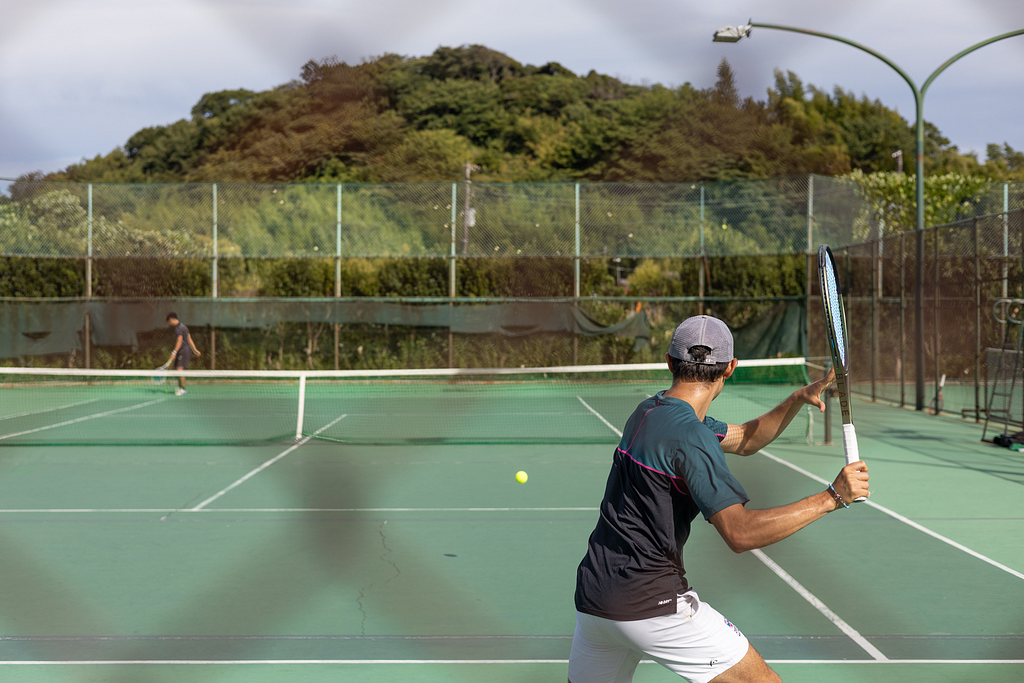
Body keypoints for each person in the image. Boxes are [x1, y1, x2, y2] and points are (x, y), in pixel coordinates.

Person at [569, 315, 869, 683]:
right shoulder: (691, 438)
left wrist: (795, 400)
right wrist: (833, 496)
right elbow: (739, 534)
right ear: (730, 368)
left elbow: (745, 439)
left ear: (669, 362)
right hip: (651, 603)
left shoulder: (649, 411)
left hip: (595, 600)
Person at [165, 312, 201, 396]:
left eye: (169, 321)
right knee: (176, 368)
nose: (169, 323)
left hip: (183, 351)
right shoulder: (183, 326)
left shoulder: (178, 328)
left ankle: (182, 389)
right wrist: (194, 349)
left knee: (180, 370)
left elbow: (179, 340)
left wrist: (174, 352)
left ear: (171, 319)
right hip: (186, 350)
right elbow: (189, 338)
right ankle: (180, 387)